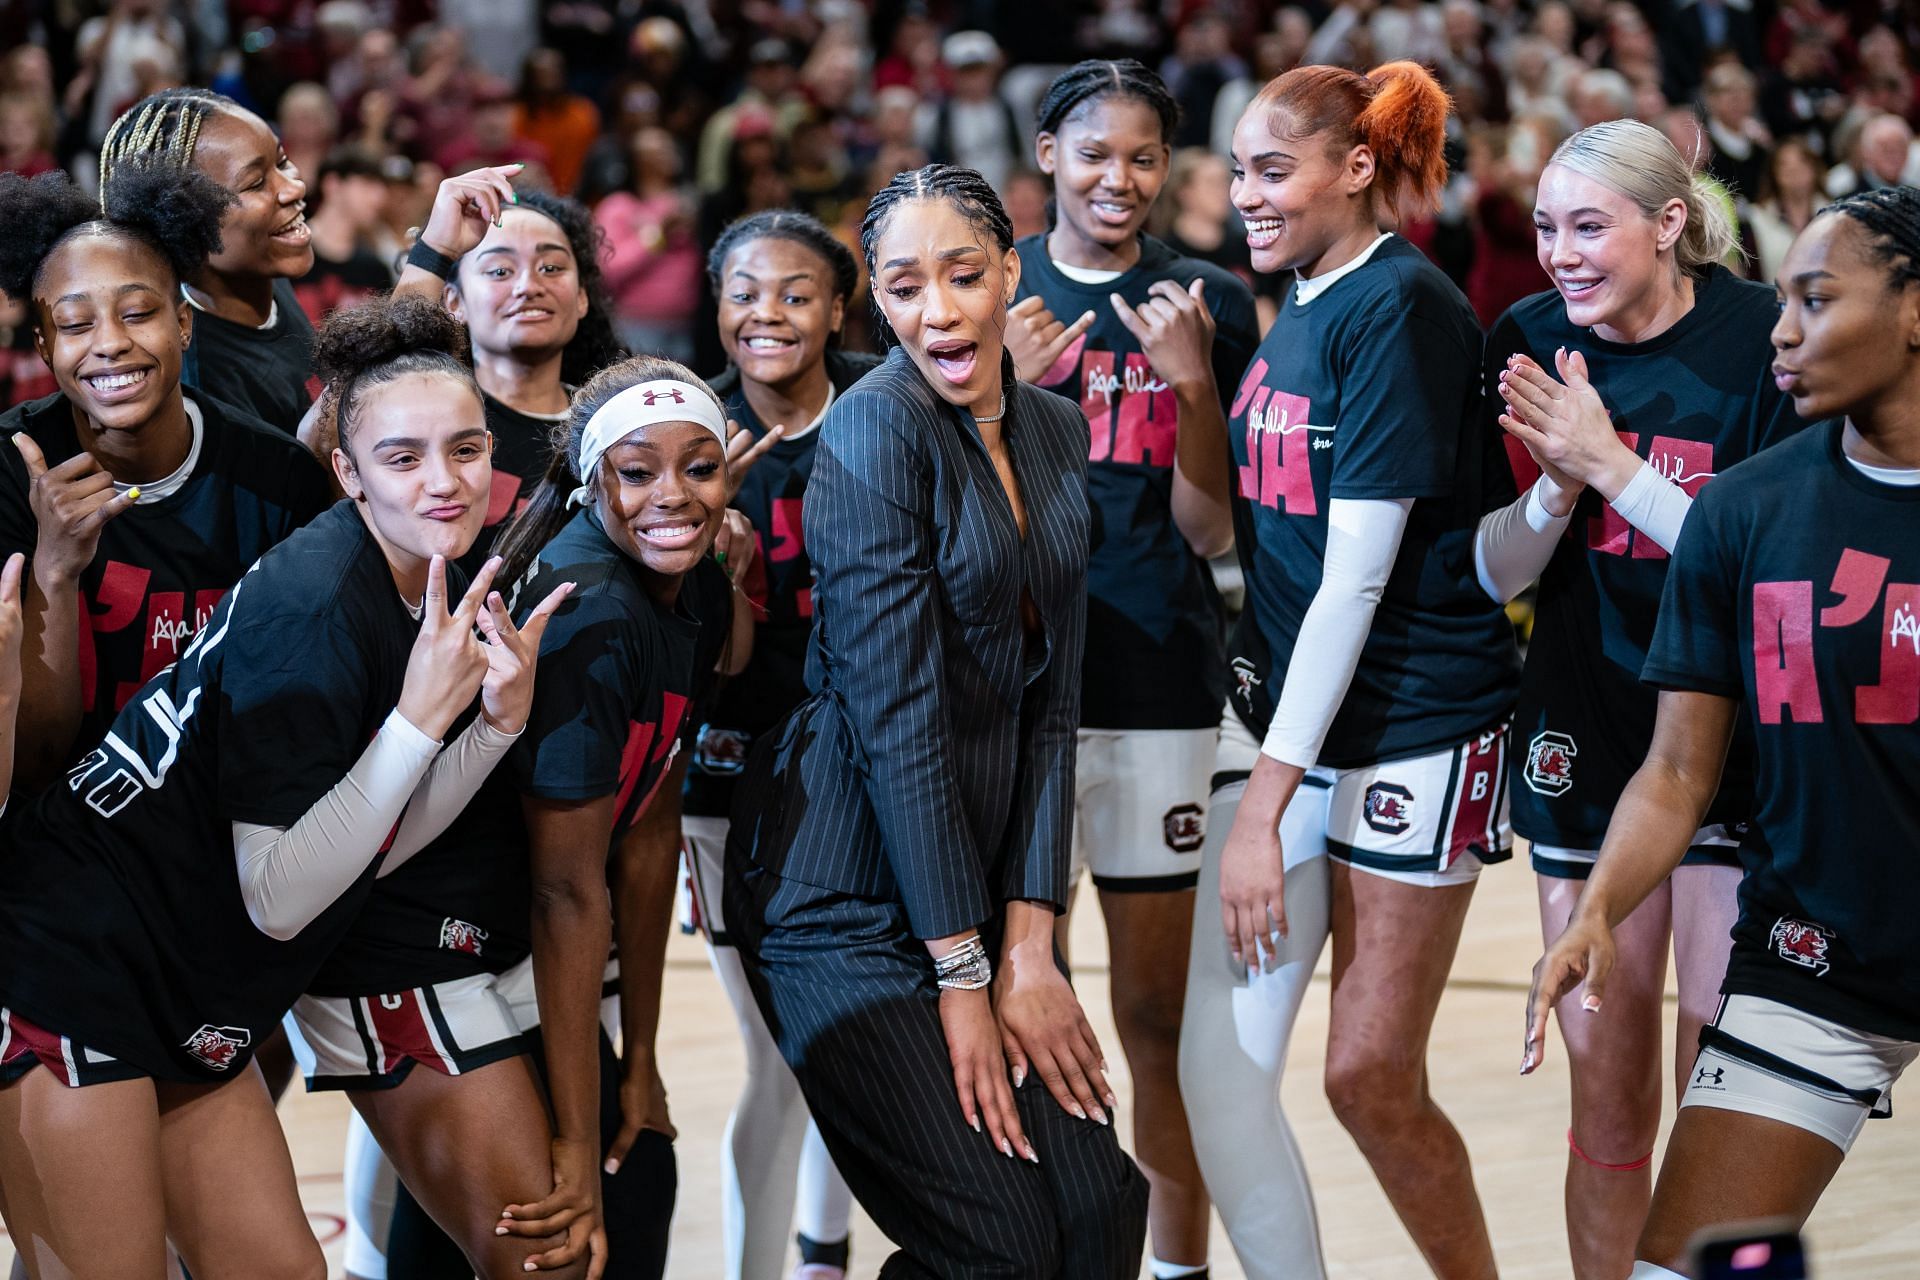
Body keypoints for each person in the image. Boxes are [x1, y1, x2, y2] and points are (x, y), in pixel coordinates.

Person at [0, 292, 561, 1277]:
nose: (445, 481)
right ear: (346, 472)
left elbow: (367, 847)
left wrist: (492, 728)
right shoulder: (311, 608)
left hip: (189, 973)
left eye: (466, 449)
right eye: (402, 457)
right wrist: (422, 721)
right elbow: (280, 895)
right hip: (68, 955)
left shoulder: (431, 582)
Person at [727, 163, 1149, 1278]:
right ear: (878, 299)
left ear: (1011, 271)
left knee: (1102, 1203)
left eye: (964, 275)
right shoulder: (874, 434)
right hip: (840, 899)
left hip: (980, 889)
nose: (938, 310)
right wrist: (966, 976)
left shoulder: (1057, 429)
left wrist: (1031, 945)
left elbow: (1052, 707)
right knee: (1001, 1242)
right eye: (904, 286)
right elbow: (898, 722)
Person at [1525, 184, 1920, 1280]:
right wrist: (1597, 907)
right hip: (1816, 961)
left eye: (1818, 300)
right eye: (1783, 302)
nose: (1783, 333)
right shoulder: (1744, 513)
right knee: (1682, 1270)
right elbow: (1678, 767)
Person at [289, 353, 739, 1280]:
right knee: (552, 1245)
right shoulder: (591, 616)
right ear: (591, 479)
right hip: (405, 944)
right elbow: (567, 893)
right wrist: (572, 1145)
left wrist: (643, 1054)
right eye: (640, 471)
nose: (675, 498)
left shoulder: (696, 583)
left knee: (635, 1171)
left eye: (700, 467)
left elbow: (648, 831)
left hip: (500, 940)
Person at [1185, 62, 1520, 1280]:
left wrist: (1259, 806)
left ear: (1359, 167)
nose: (1244, 196)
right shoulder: (1308, 295)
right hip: (1301, 725)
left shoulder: (1404, 308)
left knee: (1369, 1075)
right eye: (1235, 169)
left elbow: (1357, 575)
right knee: (1217, 1072)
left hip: (1416, 725)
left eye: (1272, 170)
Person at [1480, 117, 1803, 1279]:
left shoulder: (1764, 342)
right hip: (1586, 725)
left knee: (1723, 1105)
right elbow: (1497, 572)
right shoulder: (1524, 340)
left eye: (1588, 227)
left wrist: (1616, 465)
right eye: (1545, 228)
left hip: (1732, 744)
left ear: (1670, 224)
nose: (1559, 253)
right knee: (1606, 1104)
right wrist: (1561, 490)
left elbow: (1760, 580)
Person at [1004, 59, 1257, 1280]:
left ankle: (1176, 1267)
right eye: (1096, 151)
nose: (1121, 177)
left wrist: (1193, 382)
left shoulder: (1206, 298)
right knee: (1019, 1015)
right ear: (1047, 152)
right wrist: (997, 388)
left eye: (1145, 155)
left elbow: (1212, 531)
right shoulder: (988, 289)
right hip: (1018, 701)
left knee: (1156, 1024)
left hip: (1159, 691)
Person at [0, 166, 332, 796]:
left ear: (183, 322)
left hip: (223, 821)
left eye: (137, 312)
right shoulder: (9, 471)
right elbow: (33, 759)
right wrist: (54, 568)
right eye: (74, 326)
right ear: (44, 347)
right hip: (56, 839)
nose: (111, 343)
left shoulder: (278, 477)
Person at [684, 209, 878, 1280]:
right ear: (716, 303)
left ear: (839, 305)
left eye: (797, 291)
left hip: (859, 774)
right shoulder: (686, 433)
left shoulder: (888, 416)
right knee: (777, 1052)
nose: (769, 312)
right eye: (746, 290)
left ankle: (825, 1248)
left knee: (840, 1037)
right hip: (726, 781)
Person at [382, 166, 626, 578]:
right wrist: (434, 250)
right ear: (453, 302)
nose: (528, 286)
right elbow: (376, 382)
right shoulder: (424, 421)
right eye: (499, 271)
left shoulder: (613, 426)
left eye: (551, 268)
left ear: (582, 297)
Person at [98, 89, 321, 436]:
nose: (294, 187)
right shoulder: (202, 386)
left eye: (281, 161)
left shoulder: (266, 275)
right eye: (257, 182)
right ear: (186, 225)